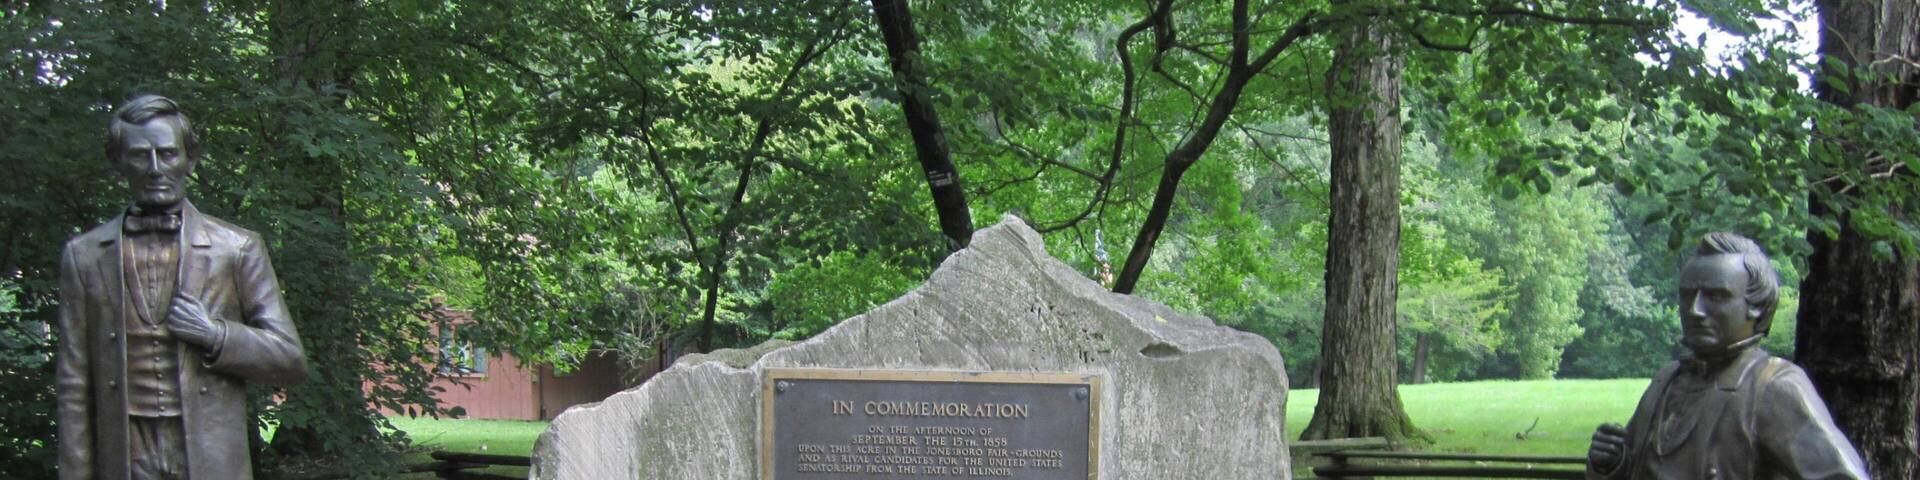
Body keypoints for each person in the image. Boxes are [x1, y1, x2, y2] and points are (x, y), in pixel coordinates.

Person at [57, 95, 307, 480]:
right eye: (141, 155)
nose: (156, 169)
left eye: (168, 154)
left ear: (190, 159)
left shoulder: (236, 248)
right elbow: (74, 381)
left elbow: (289, 358)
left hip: (209, 449)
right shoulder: (84, 255)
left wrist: (215, 334)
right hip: (125, 449)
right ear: (119, 162)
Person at [1586, 232, 1868, 479]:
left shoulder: (1773, 387)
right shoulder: (1667, 380)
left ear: (1756, 306)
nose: (1695, 309)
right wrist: (1611, 464)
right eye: (1687, 295)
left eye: (1716, 296)